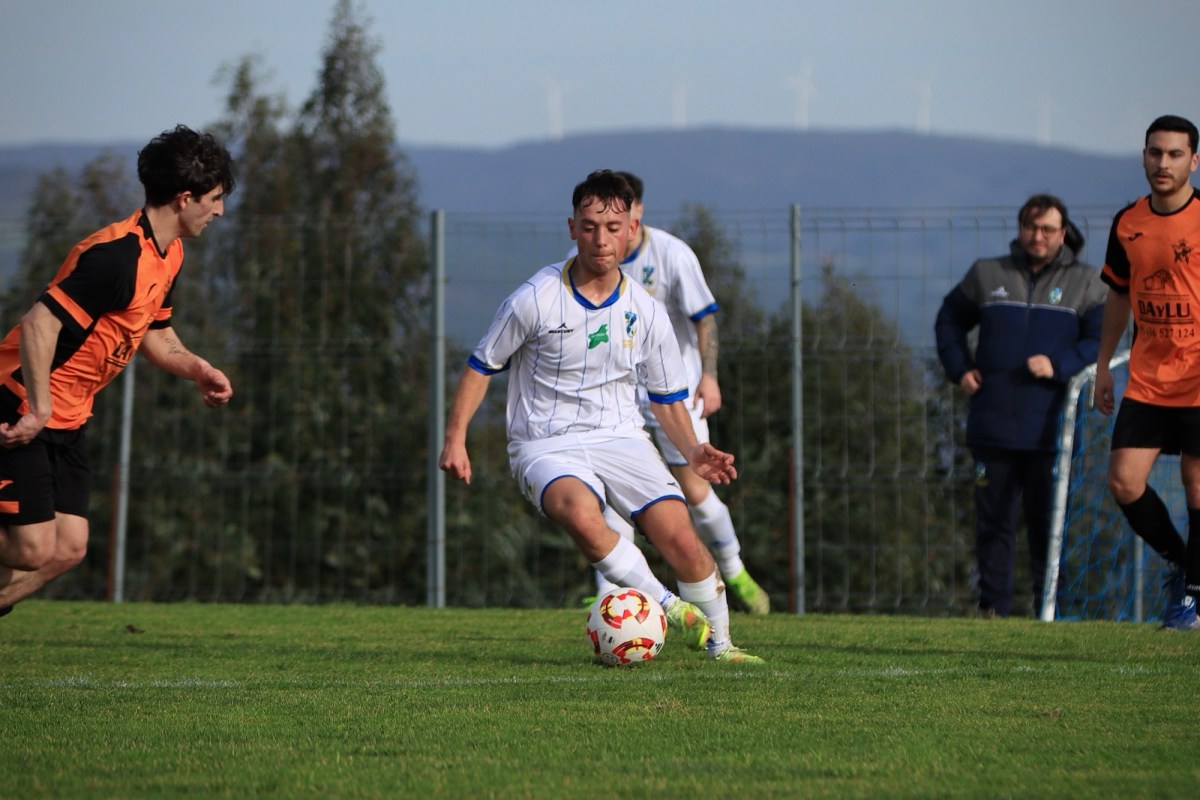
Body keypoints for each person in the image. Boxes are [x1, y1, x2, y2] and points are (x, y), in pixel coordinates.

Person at [440, 169, 763, 664]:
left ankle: (722, 646)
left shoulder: (646, 311)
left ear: (632, 229)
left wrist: (694, 449)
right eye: (589, 227)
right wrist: (455, 437)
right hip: (544, 443)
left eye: (613, 228)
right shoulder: (534, 298)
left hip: (622, 437)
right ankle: (668, 607)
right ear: (572, 228)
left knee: (680, 536)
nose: (601, 239)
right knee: (578, 511)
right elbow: (482, 365)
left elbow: (667, 398)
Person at [0, 124, 236, 617]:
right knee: (31, 548)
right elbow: (39, 324)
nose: (219, 211)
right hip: (20, 403)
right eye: (215, 199)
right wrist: (39, 409)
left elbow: (155, 333)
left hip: (67, 417)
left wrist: (198, 368)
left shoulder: (168, 254)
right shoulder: (117, 257)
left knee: (68, 548)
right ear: (185, 198)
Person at [935, 194, 1107, 617]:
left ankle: (1052, 610)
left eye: (1048, 229)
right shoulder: (987, 273)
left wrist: (1059, 364)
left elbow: (1100, 340)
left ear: (1063, 233)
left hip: (1051, 430)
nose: (1038, 236)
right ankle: (994, 609)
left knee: (1049, 527)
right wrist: (960, 369)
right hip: (991, 426)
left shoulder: (1087, 282)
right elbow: (949, 320)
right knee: (993, 524)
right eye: (1031, 227)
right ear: (1020, 229)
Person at [1095, 114, 1200, 631]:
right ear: (1143, 157)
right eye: (1155, 152)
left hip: (1198, 381)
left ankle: (1191, 602)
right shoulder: (1127, 222)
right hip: (1148, 379)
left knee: (1197, 487)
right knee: (1124, 481)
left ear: (1193, 161)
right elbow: (1118, 295)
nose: (1163, 163)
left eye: (1175, 154)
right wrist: (1102, 366)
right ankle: (1186, 566)